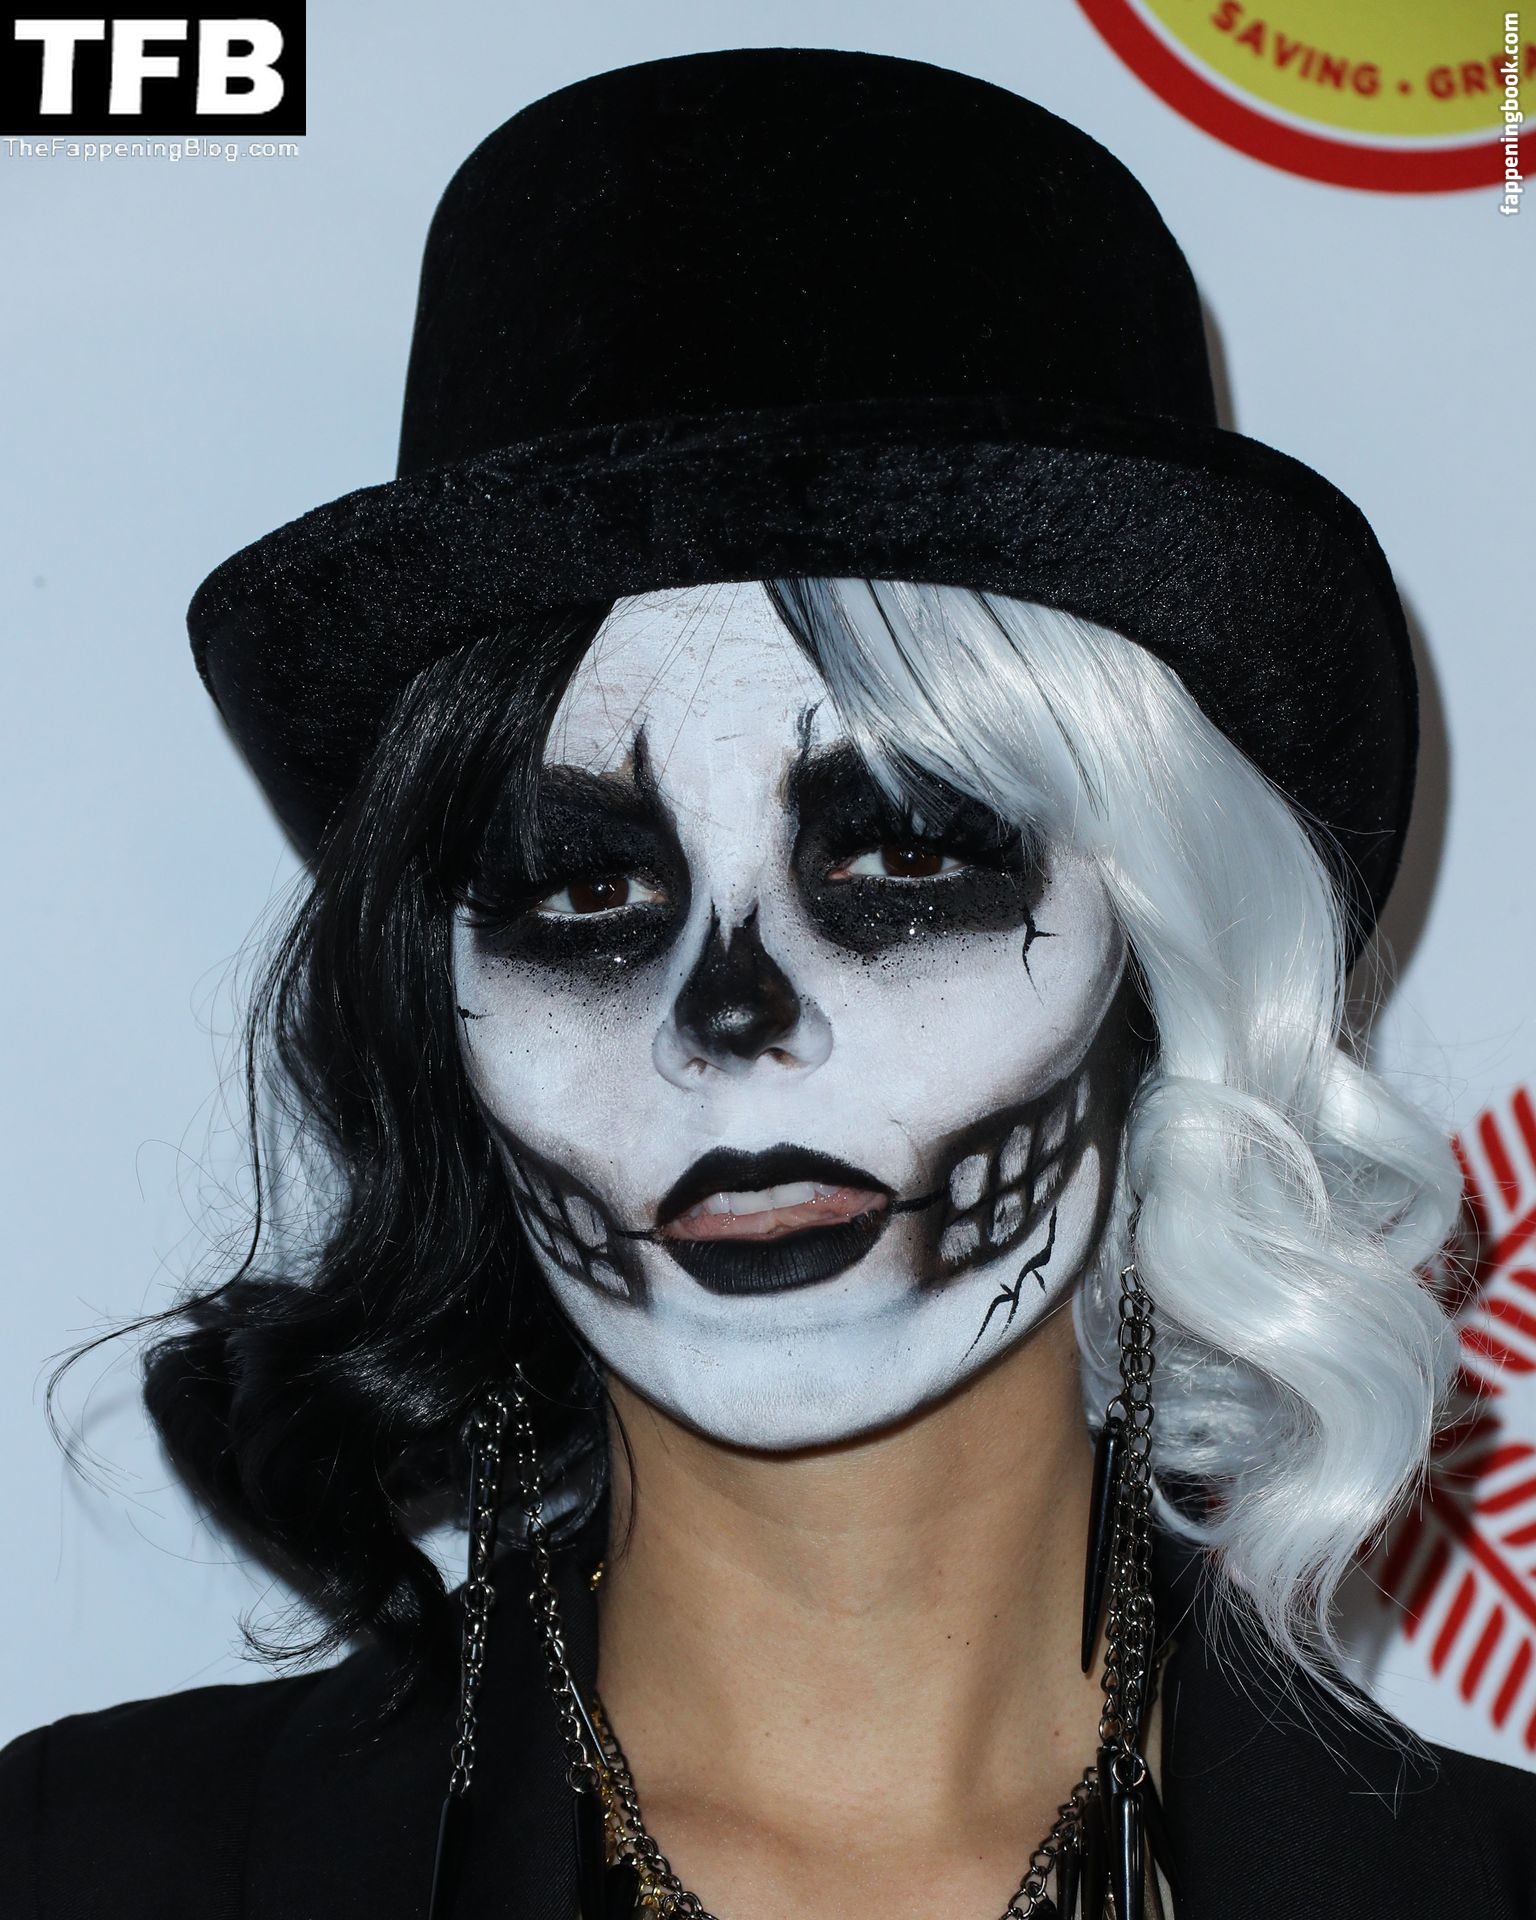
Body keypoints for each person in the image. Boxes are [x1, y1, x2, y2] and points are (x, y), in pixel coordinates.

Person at [2, 47, 1531, 1920]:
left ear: (1166, 957)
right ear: (441, 1008)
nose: (731, 1023)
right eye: (585, 891)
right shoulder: (85, 1870)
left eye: (902, 858)